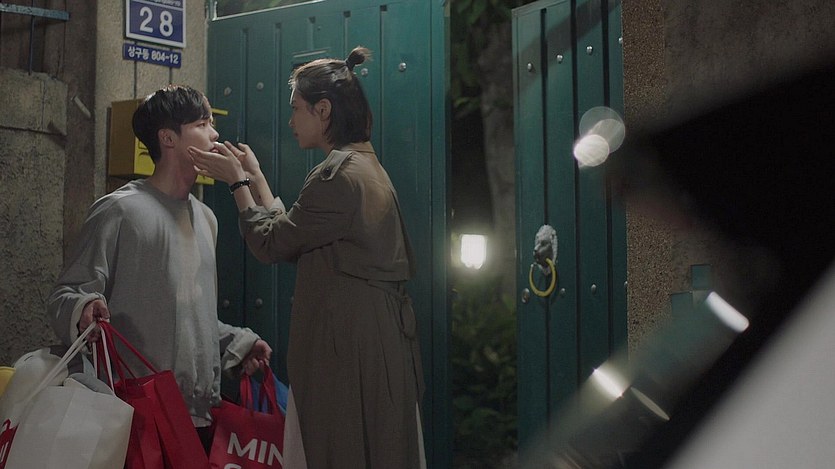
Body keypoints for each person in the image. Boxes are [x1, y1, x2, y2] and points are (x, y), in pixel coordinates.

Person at [189, 47, 425, 468]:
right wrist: (255, 178)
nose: (291, 120)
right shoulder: (361, 165)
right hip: (372, 342)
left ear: (324, 110)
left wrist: (237, 183)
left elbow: (272, 244)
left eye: (297, 108)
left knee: (338, 449)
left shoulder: (337, 175)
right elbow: (296, 233)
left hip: (349, 349)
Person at [47, 84, 272, 451]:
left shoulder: (207, 218)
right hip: (138, 413)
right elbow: (65, 294)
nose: (215, 135)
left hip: (199, 414)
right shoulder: (120, 210)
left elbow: (188, 316)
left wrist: (239, 343)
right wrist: (83, 308)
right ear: (168, 138)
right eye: (202, 124)